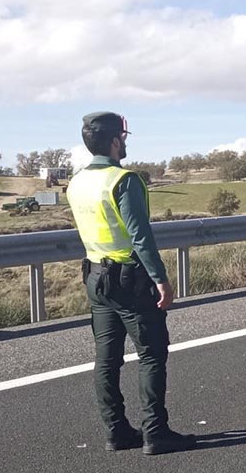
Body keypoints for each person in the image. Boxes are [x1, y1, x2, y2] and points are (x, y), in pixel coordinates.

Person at [68, 112, 195, 455]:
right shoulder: (123, 180)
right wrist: (162, 280)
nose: (125, 142)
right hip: (131, 281)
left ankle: (117, 432)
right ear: (114, 141)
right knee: (152, 354)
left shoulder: (76, 182)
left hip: (96, 277)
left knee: (107, 360)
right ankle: (156, 432)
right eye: (123, 137)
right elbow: (141, 237)